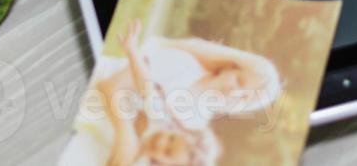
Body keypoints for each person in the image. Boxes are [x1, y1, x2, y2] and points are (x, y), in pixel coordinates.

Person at [68, 18, 280, 166]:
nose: (235, 92)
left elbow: (152, 137)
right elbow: (109, 87)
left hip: (103, 126)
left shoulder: (197, 124)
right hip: (87, 80)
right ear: (231, 66)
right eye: (239, 81)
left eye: (244, 98)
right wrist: (125, 133)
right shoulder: (184, 65)